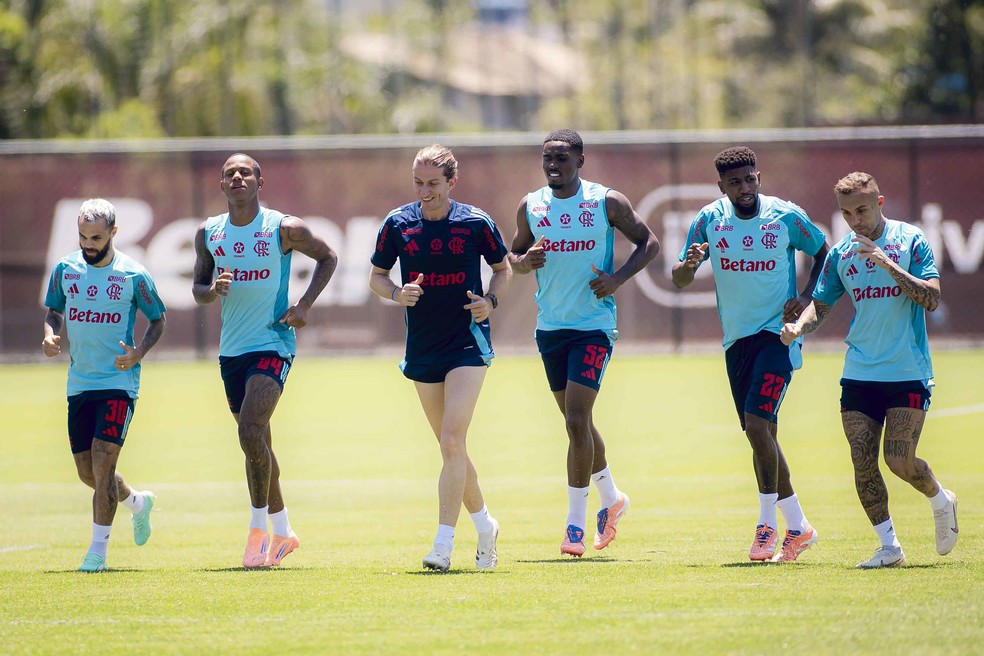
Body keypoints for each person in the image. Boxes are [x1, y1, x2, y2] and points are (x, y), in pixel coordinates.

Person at [780, 171, 958, 569]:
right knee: (862, 460)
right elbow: (820, 307)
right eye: (846, 213)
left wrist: (886, 263)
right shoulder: (841, 254)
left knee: (900, 462)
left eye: (861, 209)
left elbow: (930, 298)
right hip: (860, 371)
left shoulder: (910, 240)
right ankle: (889, 547)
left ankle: (940, 499)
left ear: (879, 203)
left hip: (908, 371)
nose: (855, 220)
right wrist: (798, 327)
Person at [671, 146, 829, 563]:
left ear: (759, 177)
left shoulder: (785, 216)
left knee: (758, 427)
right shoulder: (708, 220)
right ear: (721, 186)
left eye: (749, 179)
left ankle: (767, 526)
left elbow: (824, 252)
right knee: (763, 436)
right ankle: (799, 527)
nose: (744, 188)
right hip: (737, 341)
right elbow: (680, 278)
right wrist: (689, 265)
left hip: (778, 336)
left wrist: (807, 297)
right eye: (734, 182)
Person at [509, 129, 659, 557]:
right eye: (547, 158)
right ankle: (612, 499)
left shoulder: (605, 201)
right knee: (579, 422)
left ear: (580, 161)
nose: (553, 165)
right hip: (550, 327)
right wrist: (525, 262)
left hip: (593, 326)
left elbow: (648, 242)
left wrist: (617, 279)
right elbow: (513, 257)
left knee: (576, 420)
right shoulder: (531, 205)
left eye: (562, 158)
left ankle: (575, 525)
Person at [369, 144, 512, 573]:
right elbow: (376, 277)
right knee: (452, 449)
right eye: (418, 182)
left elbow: (503, 269)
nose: (424, 190)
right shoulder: (398, 224)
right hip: (423, 346)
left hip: (467, 343)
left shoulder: (476, 223)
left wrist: (490, 301)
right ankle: (485, 526)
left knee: (452, 441)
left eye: (433, 183)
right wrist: (397, 293)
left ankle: (442, 545)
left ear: (452, 181)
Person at [192, 153, 338, 568]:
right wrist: (212, 290)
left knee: (249, 431)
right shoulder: (209, 233)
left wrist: (305, 304)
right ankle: (284, 531)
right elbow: (198, 288)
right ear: (221, 185)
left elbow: (328, 257)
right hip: (231, 350)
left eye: (245, 172)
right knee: (258, 442)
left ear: (260, 180)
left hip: (274, 342)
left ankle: (256, 532)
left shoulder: (283, 229)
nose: (237, 177)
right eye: (229, 173)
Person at [42, 198, 167, 572]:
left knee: (102, 458)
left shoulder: (133, 275)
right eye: (83, 236)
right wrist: (51, 335)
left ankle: (97, 553)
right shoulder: (66, 269)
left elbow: (158, 319)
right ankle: (137, 504)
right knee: (88, 472)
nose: (88, 244)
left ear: (114, 233)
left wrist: (139, 352)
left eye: (96, 237)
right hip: (80, 383)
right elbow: (54, 311)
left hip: (118, 382)